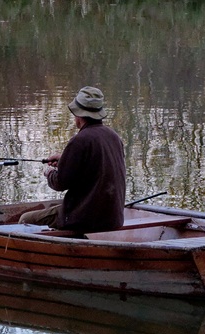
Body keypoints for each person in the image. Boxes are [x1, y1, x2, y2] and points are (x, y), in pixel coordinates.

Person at [19, 86, 126, 234]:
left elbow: (60, 183)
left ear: (78, 115)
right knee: (57, 207)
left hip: (85, 219)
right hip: (113, 218)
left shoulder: (79, 141)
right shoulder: (114, 137)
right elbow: (96, 167)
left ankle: (68, 249)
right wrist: (64, 160)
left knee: (25, 219)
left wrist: (49, 172)